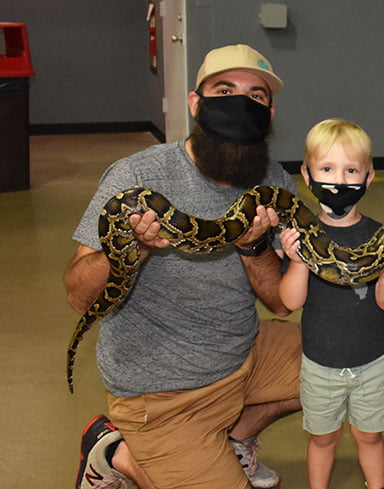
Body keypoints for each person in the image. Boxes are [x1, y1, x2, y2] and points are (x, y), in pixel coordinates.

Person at [64, 44, 302, 489]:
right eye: (224, 90)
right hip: (162, 392)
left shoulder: (272, 180)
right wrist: (132, 249)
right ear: (196, 103)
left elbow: (280, 303)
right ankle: (119, 454)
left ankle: (235, 438)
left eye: (256, 96)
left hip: (241, 353)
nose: (240, 103)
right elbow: (78, 294)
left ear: (269, 114)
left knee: (349, 362)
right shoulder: (137, 176)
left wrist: (253, 248)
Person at [278, 118, 384, 489]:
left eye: (351, 170)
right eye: (327, 169)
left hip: (372, 363)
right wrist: (299, 262)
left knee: (370, 437)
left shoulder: (380, 234)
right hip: (320, 365)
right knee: (322, 439)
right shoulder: (300, 236)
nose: (339, 180)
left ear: (368, 178)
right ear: (307, 174)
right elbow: (290, 300)